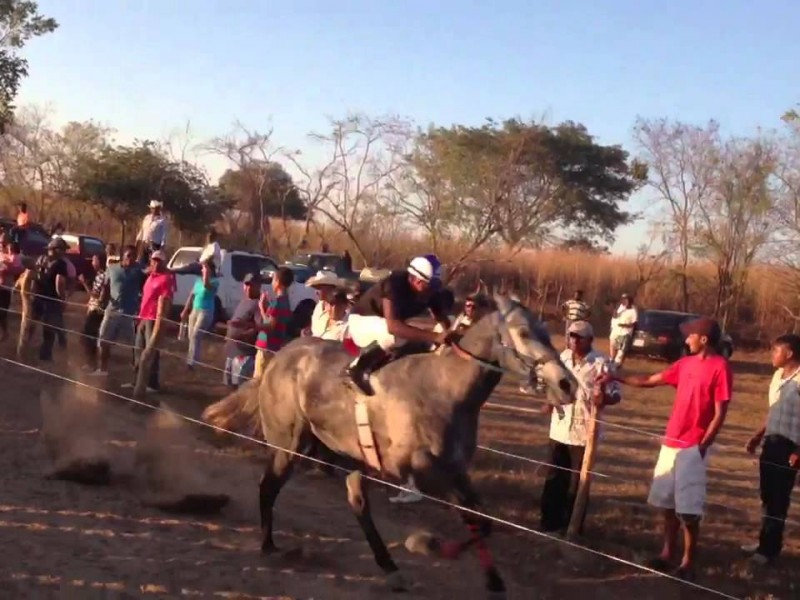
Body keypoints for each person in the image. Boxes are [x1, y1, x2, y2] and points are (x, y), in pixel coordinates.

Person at [603, 316, 731, 580]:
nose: (686, 340)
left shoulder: (721, 368)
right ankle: (666, 552)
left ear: (703, 339)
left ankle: (687, 561)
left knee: (689, 508)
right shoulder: (684, 364)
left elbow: (720, 412)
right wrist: (618, 377)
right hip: (671, 441)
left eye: (690, 336)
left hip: (693, 446)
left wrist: (703, 444)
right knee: (667, 503)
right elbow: (651, 379)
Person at [539, 320, 621, 534]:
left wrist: (603, 399)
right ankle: (548, 523)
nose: (573, 340)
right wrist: (549, 401)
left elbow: (616, 394)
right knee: (554, 478)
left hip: (584, 433)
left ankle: (571, 526)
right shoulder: (561, 358)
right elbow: (550, 385)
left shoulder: (602, 362)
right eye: (571, 336)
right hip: (559, 428)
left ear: (590, 340)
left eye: (579, 337)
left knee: (577, 482)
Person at [345, 255, 453, 396]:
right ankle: (357, 368)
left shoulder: (429, 291)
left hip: (383, 326)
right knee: (395, 335)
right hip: (361, 322)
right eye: (429, 285)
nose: (432, 291)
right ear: (415, 279)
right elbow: (393, 326)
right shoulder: (394, 284)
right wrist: (435, 336)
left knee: (419, 340)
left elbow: (442, 320)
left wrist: (452, 336)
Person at [742, 333, 800, 565]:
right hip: (771, 442)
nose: (772, 355)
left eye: (776, 351)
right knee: (766, 495)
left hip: (790, 447)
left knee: (779, 498)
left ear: (789, 354)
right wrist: (758, 436)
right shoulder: (777, 376)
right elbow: (773, 410)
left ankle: (769, 551)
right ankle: (763, 542)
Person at [122, 250, 175, 395]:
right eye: (154, 260)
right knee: (138, 350)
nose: (156, 263)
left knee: (151, 351)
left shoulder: (166, 279)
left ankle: (152, 383)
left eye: (159, 261)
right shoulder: (150, 276)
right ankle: (137, 380)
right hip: (143, 317)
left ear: (164, 263)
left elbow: (166, 301)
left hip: (154, 319)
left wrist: (161, 321)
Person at [91, 246, 145, 376]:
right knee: (104, 339)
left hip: (129, 312)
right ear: (122, 256)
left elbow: (145, 287)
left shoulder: (138, 271)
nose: (131, 259)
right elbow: (105, 286)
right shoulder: (112, 268)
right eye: (129, 256)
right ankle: (103, 369)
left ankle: (137, 370)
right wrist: (101, 301)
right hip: (112, 309)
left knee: (135, 344)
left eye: (133, 256)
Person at [31, 237, 70, 361]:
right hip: (52, 299)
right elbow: (60, 283)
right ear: (58, 250)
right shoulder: (60, 264)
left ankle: (24, 347)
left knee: (32, 324)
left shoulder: (41, 260)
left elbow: (33, 278)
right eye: (63, 250)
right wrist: (63, 299)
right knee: (51, 328)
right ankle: (46, 355)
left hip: (38, 297)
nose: (65, 252)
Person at [253, 267, 294, 379]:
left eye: (273, 280)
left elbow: (270, 326)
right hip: (276, 346)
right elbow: (274, 321)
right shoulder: (286, 301)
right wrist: (264, 308)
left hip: (266, 346)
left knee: (259, 380)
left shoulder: (277, 303)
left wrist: (253, 326)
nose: (271, 283)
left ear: (278, 282)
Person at [223, 273, 262, 389]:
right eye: (246, 285)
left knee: (240, 386)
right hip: (231, 350)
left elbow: (258, 327)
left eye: (252, 285)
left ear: (258, 286)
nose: (248, 288)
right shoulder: (244, 301)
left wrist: (242, 335)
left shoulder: (258, 304)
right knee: (229, 385)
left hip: (244, 353)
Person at [180, 260, 220, 369]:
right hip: (195, 310)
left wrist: (206, 275)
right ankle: (191, 359)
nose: (202, 270)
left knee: (196, 335)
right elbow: (191, 295)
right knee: (190, 335)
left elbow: (207, 286)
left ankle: (192, 363)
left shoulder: (215, 282)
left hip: (206, 311)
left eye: (204, 268)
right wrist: (185, 310)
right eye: (202, 268)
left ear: (210, 270)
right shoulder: (198, 281)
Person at [79, 254, 108, 370]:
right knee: (90, 335)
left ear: (99, 262)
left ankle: (91, 362)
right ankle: (91, 361)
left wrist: (84, 283)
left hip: (97, 309)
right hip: (94, 307)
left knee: (87, 335)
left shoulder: (103, 276)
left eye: (94, 260)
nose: (92, 262)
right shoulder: (100, 275)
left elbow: (96, 295)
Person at [306, 270, 348, 341]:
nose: (316, 292)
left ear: (329, 288)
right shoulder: (319, 307)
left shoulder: (347, 322)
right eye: (315, 288)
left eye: (319, 288)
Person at [0, 236, 23, 341]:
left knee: (2, 313)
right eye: (0, 242)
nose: (1, 244)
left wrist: (6, 267)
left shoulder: (14, 257)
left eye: (3, 243)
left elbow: (18, 269)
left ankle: (5, 333)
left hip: (4, 288)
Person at [135, 199, 168, 265]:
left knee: (152, 263)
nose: (154, 210)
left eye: (156, 208)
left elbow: (164, 235)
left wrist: (162, 247)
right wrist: (137, 240)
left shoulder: (162, 220)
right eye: (152, 208)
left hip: (154, 245)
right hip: (144, 244)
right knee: (141, 262)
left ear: (159, 209)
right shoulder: (147, 218)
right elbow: (142, 230)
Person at [609, 293, 638, 367]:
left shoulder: (633, 310)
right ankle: (612, 362)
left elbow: (634, 323)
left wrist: (624, 325)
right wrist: (614, 308)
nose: (625, 301)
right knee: (613, 347)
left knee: (621, 352)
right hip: (616, 331)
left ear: (630, 301)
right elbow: (615, 316)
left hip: (625, 333)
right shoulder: (621, 307)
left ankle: (616, 365)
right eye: (623, 299)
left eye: (626, 300)